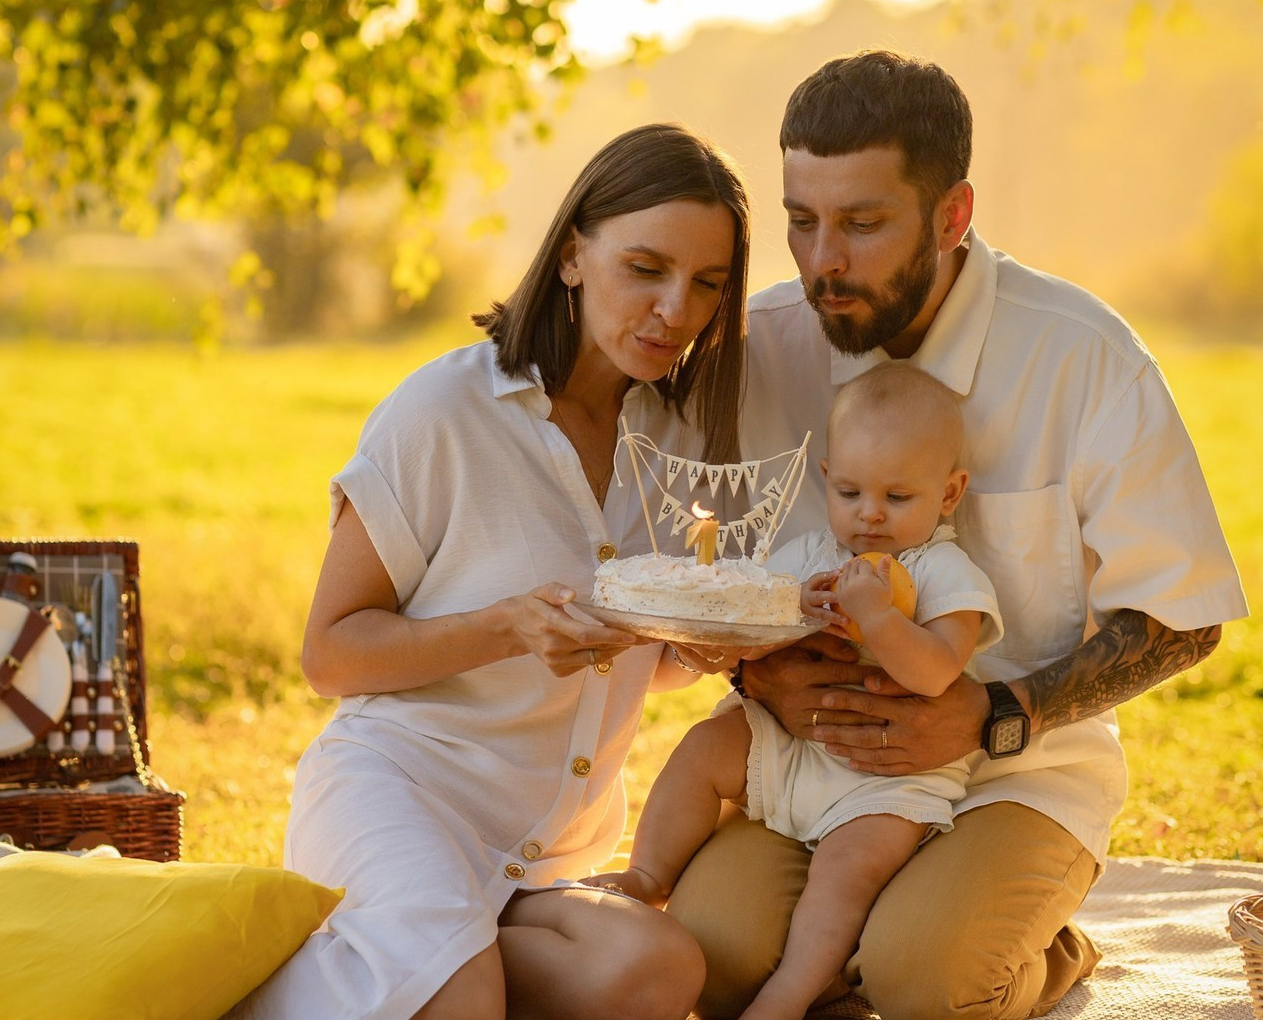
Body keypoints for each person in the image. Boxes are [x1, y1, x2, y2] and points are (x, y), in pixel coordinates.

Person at [663, 51, 1248, 1020]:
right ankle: (883, 939)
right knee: (710, 956)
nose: (821, 261)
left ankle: (1035, 949)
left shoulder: (1084, 355)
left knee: (923, 977)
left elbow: (1183, 618)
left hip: (1021, 770)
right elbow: (676, 572)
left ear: (951, 216)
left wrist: (994, 710)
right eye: (800, 221)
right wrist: (748, 672)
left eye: (860, 223)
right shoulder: (757, 350)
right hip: (811, 764)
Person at [230, 122, 754, 1020]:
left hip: (547, 853)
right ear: (574, 254)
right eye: (646, 269)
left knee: (657, 970)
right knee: (463, 997)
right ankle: (238, 992)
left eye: (707, 284)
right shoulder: (445, 410)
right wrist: (504, 626)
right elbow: (330, 655)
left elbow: (636, 657)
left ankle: (399, 964)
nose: (677, 309)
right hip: (400, 795)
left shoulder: (683, 443)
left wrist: (697, 644)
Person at [584, 362, 1002, 1020]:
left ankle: (790, 993)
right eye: (851, 491)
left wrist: (881, 620)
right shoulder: (808, 554)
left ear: (949, 494)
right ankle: (647, 873)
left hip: (884, 777)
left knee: (846, 873)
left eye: (898, 499)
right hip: (788, 745)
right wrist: (789, 612)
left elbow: (936, 671)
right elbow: (745, 642)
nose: (870, 515)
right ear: (828, 476)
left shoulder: (945, 571)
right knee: (702, 747)